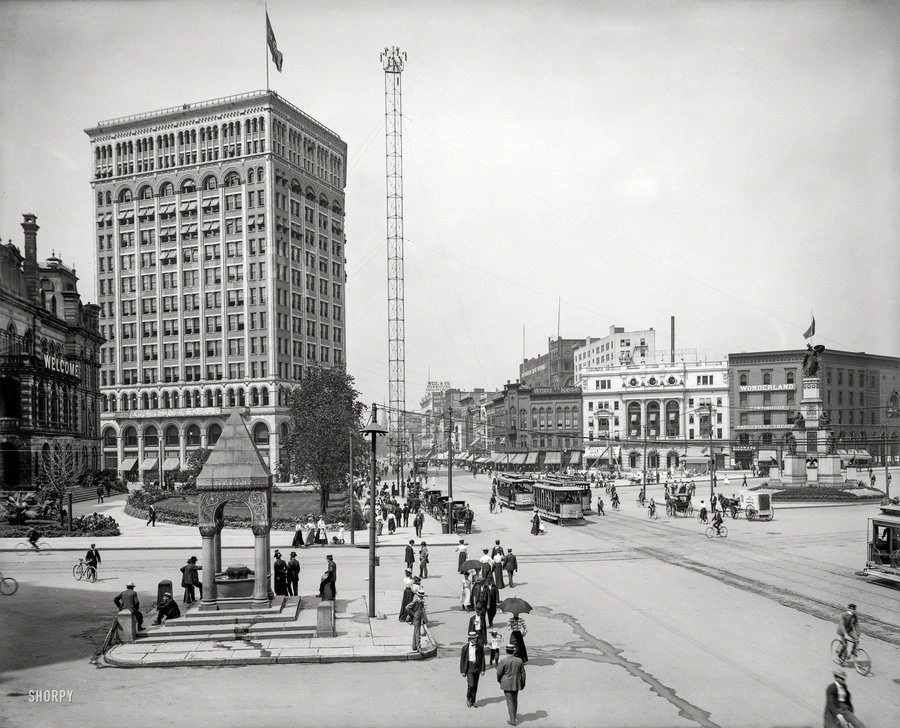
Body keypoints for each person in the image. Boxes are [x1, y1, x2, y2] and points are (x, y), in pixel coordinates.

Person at [496, 642, 526, 726]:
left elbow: (499, 673)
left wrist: (500, 681)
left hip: (506, 683)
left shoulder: (503, 661)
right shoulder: (519, 660)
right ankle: (514, 716)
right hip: (516, 683)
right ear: (513, 651)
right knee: (515, 700)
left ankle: (512, 720)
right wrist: (522, 683)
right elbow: (523, 673)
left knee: (509, 702)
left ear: (506, 651)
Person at [460, 630, 486, 708]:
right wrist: (463, 671)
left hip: (477, 667)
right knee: (471, 685)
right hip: (469, 668)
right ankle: (468, 698)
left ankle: (473, 700)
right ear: (470, 639)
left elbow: (482, 658)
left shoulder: (479, 647)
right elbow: (462, 660)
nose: (475, 640)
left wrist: (482, 669)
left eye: (475, 638)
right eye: (473, 638)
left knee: (475, 685)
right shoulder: (465, 648)